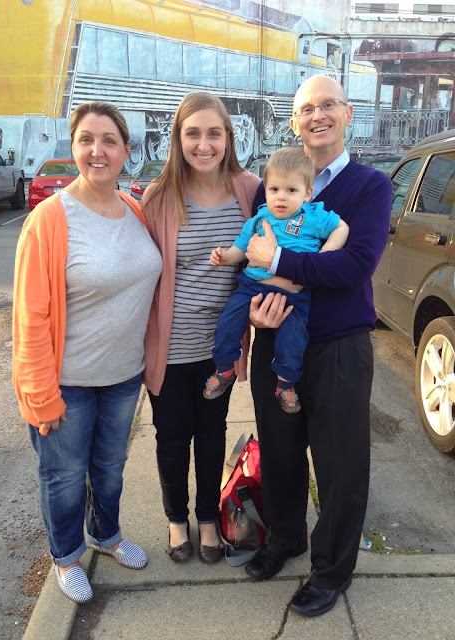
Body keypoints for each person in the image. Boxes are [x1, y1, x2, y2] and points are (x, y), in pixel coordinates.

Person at [244, 76, 392, 617]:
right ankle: (285, 539)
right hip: (276, 341)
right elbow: (250, 257)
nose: (318, 115)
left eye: (329, 105)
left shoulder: (370, 186)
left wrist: (280, 263)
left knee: (340, 464)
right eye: (307, 108)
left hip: (339, 347)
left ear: (348, 114)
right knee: (280, 453)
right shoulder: (273, 185)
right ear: (294, 122)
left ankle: (330, 570)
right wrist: (256, 309)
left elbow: (355, 266)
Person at [13, 101, 162, 603]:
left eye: (109, 141)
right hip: (68, 382)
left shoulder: (134, 209)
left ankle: (106, 535)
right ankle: (67, 556)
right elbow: (30, 316)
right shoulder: (49, 220)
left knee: (110, 469)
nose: (97, 151)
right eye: (86, 140)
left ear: (125, 150)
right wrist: (40, 395)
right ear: (74, 147)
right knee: (64, 477)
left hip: (123, 376)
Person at [141, 92, 260, 564]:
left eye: (214, 133)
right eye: (193, 134)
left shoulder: (249, 190)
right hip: (170, 347)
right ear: (178, 138)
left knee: (212, 435)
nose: (204, 144)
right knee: (172, 439)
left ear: (229, 137)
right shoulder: (159, 196)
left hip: (220, 349)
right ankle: (177, 520)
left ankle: (208, 519)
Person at [204, 147, 348, 414]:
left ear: (307, 193)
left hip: (295, 295)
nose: (281, 197)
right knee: (227, 322)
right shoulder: (259, 219)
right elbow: (241, 248)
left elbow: (342, 228)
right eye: (274, 189)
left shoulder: (313, 216)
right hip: (252, 287)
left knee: (293, 340)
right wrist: (225, 257)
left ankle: (285, 385)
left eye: (291, 190)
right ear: (266, 190)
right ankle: (224, 369)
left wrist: (323, 257)